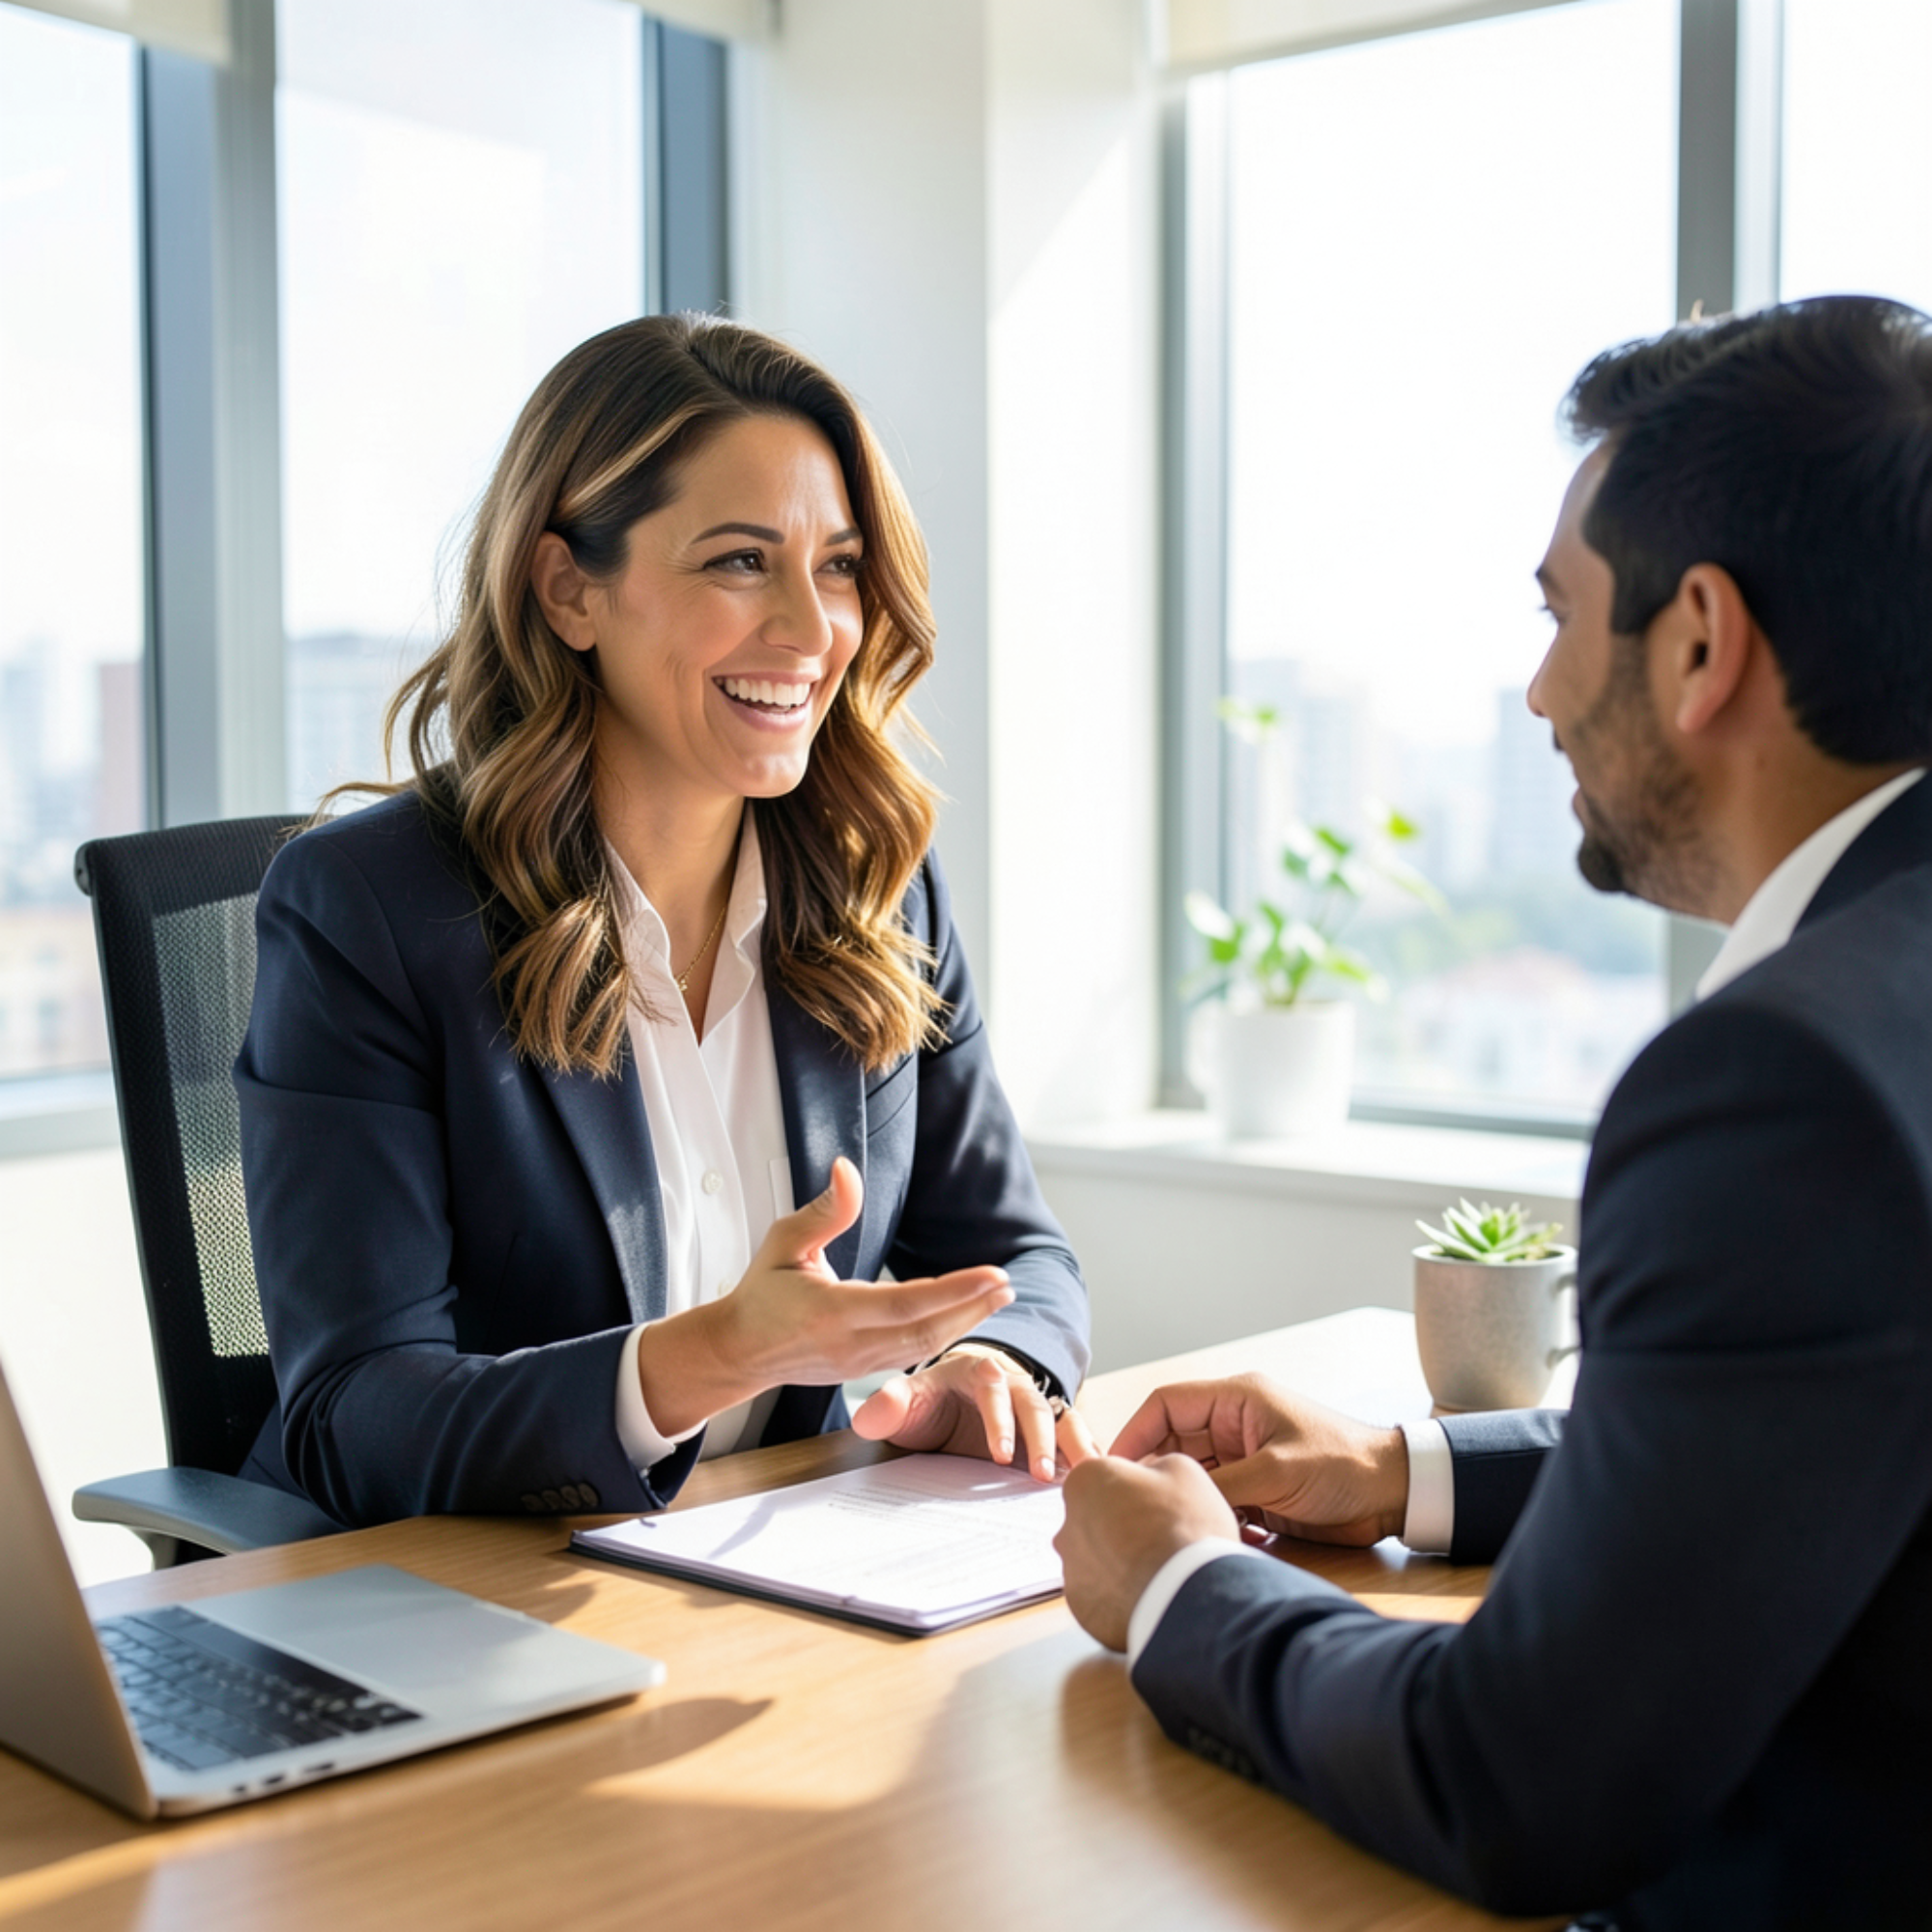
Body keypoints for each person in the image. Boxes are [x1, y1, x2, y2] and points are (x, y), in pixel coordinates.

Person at [1056, 295, 1932, 1928]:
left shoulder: (1784, 1086)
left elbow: (1518, 1784)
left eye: (1561, 615)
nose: (1538, 694)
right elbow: (1812, 1428)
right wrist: (1409, 1470)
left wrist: (1177, 1585)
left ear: (1699, 645)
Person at [236, 313, 1091, 1529]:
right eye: (741, 560)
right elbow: (353, 1412)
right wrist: (705, 1357)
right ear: (569, 589)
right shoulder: (368, 911)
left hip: (763, 1572)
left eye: (839, 565)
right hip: (468, 1601)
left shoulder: (875, 887)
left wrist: (995, 1367)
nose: (810, 628)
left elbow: (1023, 1262)